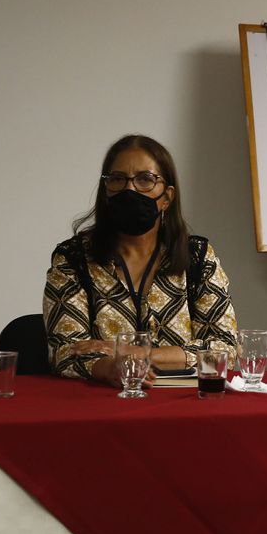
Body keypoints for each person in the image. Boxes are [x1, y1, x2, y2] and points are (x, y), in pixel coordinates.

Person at [43, 134, 237, 385]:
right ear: (106, 191)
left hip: (184, 402)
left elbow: (225, 352)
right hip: (102, 404)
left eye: (145, 179)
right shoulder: (73, 259)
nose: (129, 189)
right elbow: (65, 352)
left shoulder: (197, 256)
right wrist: (108, 368)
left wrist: (134, 353)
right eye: (117, 179)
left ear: (167, 197)